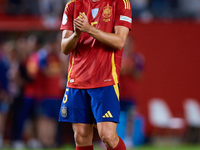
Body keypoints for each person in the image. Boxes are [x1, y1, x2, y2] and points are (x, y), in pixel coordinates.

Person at [59, 0, 132, 149]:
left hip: (105, 80)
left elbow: (119, 41)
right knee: (81, 137)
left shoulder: (120, 3)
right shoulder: (72, 5)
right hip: (77, 81)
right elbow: (64, 48)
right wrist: (76, 35)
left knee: (108, 137)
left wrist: (89, 29)